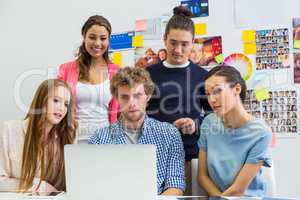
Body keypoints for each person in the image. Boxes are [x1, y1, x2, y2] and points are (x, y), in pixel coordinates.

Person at [89, 67, 185, 196]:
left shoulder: (169, 134)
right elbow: (93, 184)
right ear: (117, 99)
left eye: (137, 96)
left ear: (148, 96)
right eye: (125, 97)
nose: (131, 103)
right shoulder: (99, 138)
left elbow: (175, 184)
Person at [146, 6, 211, 195]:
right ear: (164, 39)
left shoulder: (202, 76)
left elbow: (213, 115)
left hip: (190, 155)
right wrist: (164, 127)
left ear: (193, 43)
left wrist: (195, 123)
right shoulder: (148, 74)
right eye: (173, 42)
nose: (178, 49)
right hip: (154, 156)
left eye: (184, 44)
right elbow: (138, 114)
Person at [198, 65, 272, 197]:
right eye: (208, 93)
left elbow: (238, 190)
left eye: (217, 91)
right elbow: (202, 176)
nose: (211, 99)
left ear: (237, 89)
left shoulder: (260, 133)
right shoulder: (208, 122)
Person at [0, 79, 77, 193]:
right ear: (41, 101)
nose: (62, 108)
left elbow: (72, 184)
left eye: (66, 104)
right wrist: (38, 186)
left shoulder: (66, 138)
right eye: (56, 100)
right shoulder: (8, 130)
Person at [57, 15, 119, 141]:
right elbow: (55, 104)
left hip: (106, 142)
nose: (97, 43)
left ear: (108, 40)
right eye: (92, 37)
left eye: (103, 38)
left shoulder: (117, 72)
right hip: (72, 140)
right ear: (84, 38)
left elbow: (121, 112)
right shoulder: (66, 70)